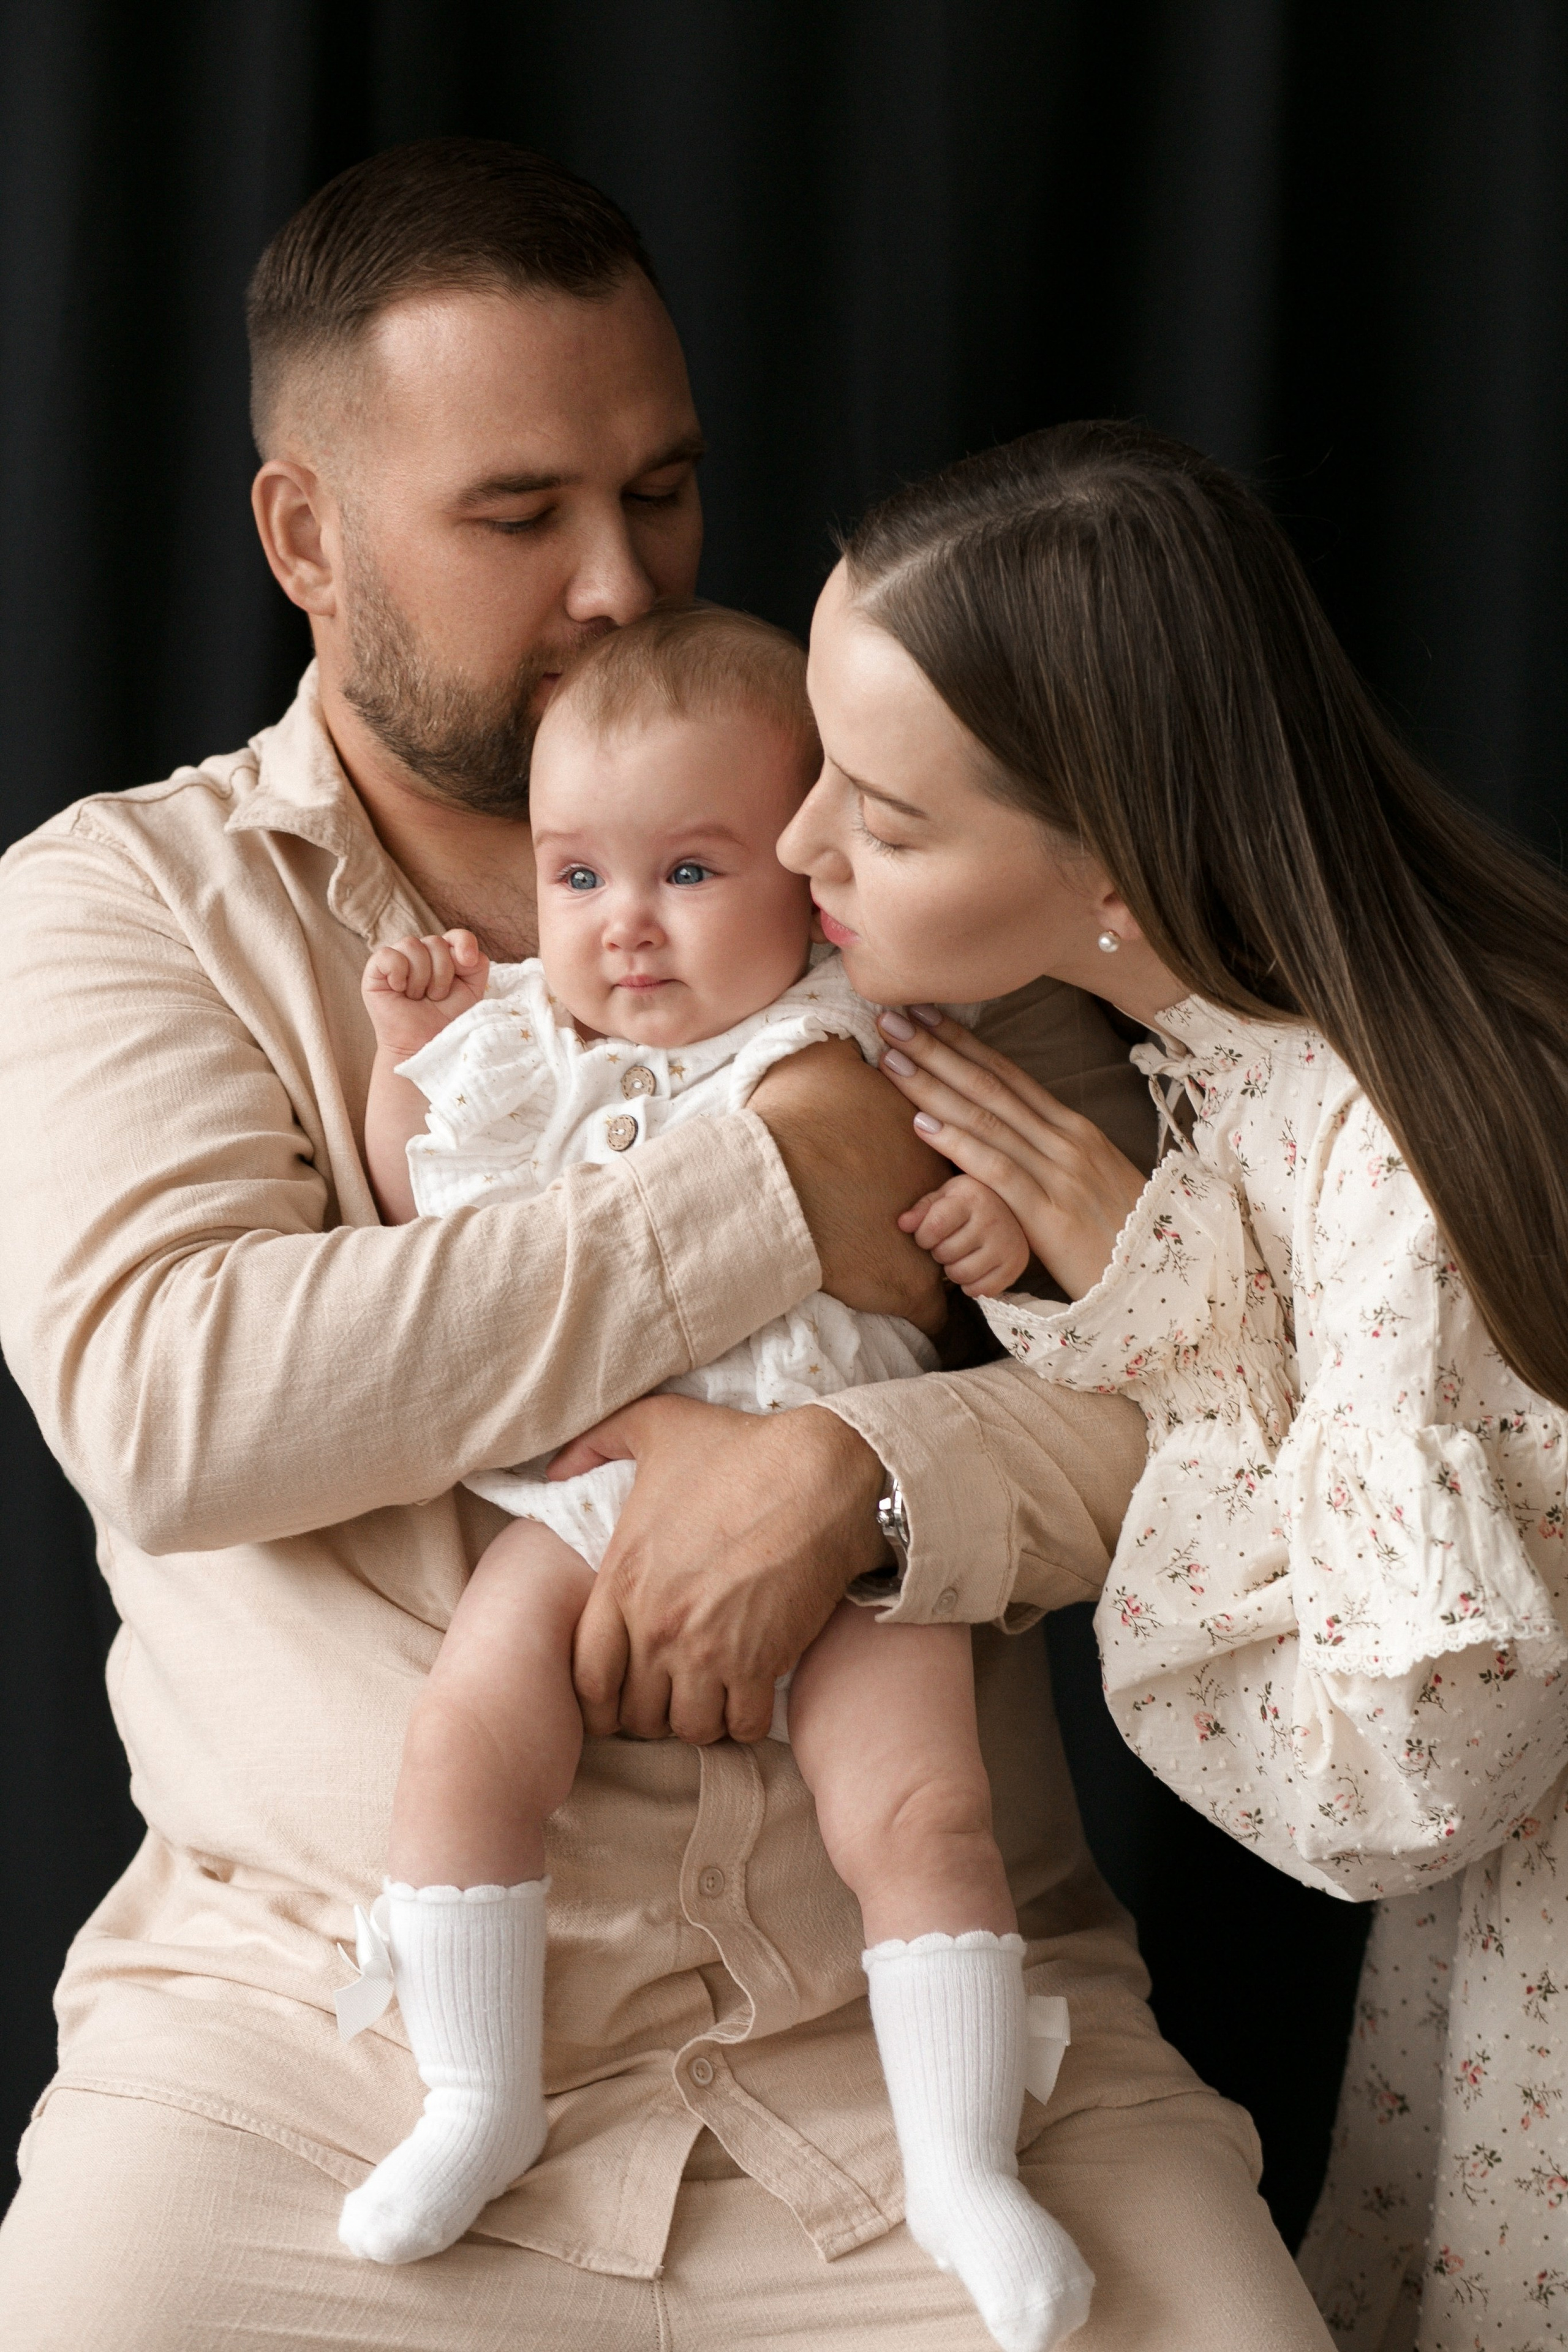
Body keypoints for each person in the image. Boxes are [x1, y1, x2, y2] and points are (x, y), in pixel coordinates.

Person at [0, 141, 1333, 2351]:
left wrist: (859, 1488)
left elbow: (1196, 1379)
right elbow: (179, 1403)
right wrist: (774, 1189)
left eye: (666, 490)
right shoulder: (124, 906)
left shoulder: (871, 833)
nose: (621, 584)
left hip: (910, 2034)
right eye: (522, 517)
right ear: (304, 537)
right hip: (306, 2054)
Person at [764, 418, 1568, 2352]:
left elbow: (1399, 1776)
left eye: (879, 819)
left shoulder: (1390, 1152)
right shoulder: (1276, 1066)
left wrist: (1198, 1368)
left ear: (1108, 853)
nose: (798, 848)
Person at [341, 600, 1094, 2352]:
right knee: (468, 1729)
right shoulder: (539, 1042)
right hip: (594, 1487)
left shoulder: (878, 1021)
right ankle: (477, 2090)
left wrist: (991, 1228)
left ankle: (964, 2165)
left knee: (922, 1815)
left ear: (806, 875)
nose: (625, 932)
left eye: (688, 871)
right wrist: (408, 1070)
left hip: (848, 1501)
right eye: (578, 879)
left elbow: (995, 1221)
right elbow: (426, 1210)